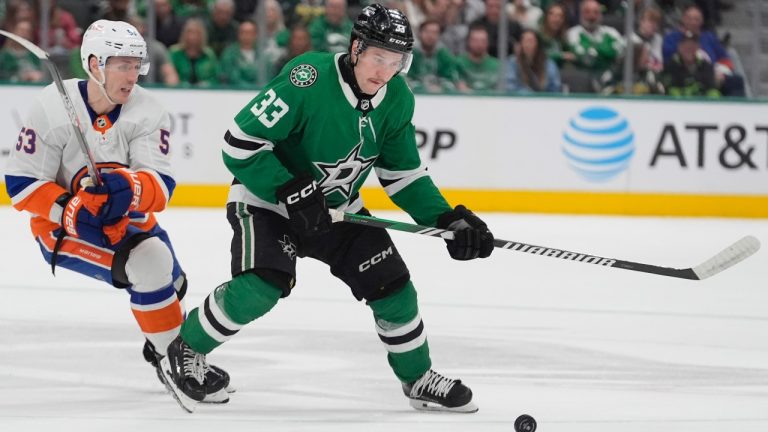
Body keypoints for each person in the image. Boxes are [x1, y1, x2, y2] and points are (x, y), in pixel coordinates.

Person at [159, 3, 494, 413]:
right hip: (266, 202)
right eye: (377, 57)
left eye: (395, 61)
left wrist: (446, 219)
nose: (384, 71)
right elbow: (238, 144)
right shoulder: (309, 78)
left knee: (394, 290)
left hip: (338, 210)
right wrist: (288, 188)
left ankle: (418, 377)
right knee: (262, 287)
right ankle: (186, 348)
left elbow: (402, 175)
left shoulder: (397, 99)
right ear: (355, 48)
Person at [3, 19, 230, 404]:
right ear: (94, 64)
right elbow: (21, 185)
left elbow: (160, 187)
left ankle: (163, 341)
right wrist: (71, 209)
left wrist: (130, 188)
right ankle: (173, 358)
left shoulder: (148, 110)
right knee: (151, 265)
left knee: (175, 287)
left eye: (136, 64)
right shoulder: (49, 106)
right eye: (121, 64)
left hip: (128, 219)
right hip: (62, 229)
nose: (132, 75)